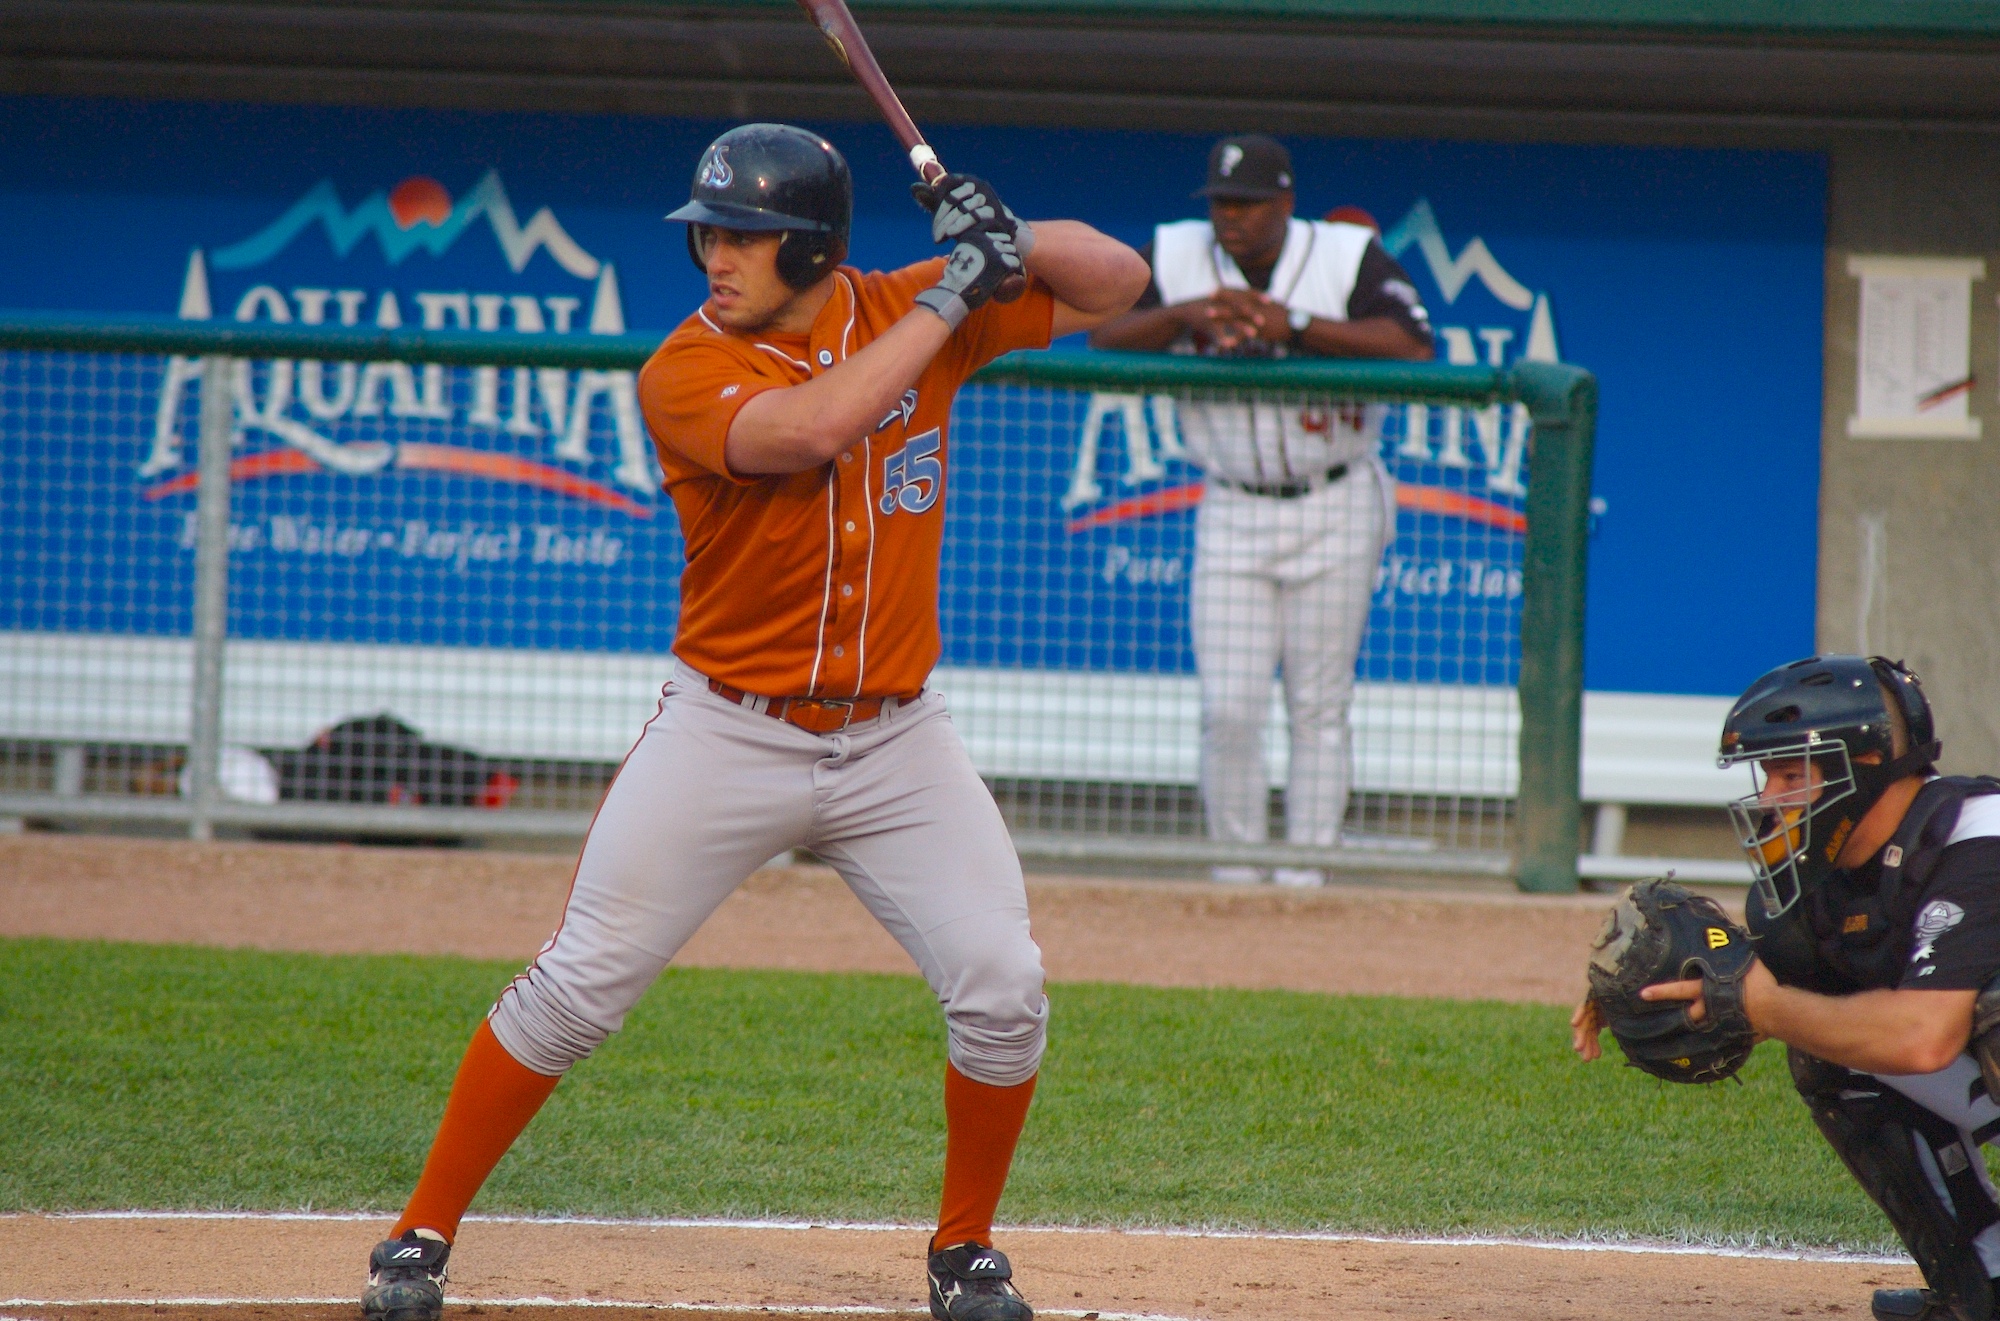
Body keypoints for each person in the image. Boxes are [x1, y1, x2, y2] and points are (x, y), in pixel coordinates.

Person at [359, 123, 1148, 1321]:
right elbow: (809, 432)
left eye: (746, 237)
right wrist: (949, 294)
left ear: (815, 247)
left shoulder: (901, 300)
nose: (715, 256)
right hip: (727, 732)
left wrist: (1010, 237)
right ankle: (418, 1234)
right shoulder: (684, 365)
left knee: (1001, 984)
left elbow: (1122, 282)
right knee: (579, 987)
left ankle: (964, 1252)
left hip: (895, 740)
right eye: (709, 235)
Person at [1573, 655, 2000, 1321]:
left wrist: (1763, 1004)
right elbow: (1773, 996)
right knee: (1832, 1039)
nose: (1770, 794)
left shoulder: (1980, 837)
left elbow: (1924, 1037)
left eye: (1791, 773)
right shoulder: (1820, 886)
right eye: (1766, 774)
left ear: (1862, 765)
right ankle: (1985, 1280)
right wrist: (1647, 987)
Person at [1087, 135, 1433, 887]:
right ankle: (1237, 876)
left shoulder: (1344, 255)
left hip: (1334, 496)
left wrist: (1296, 327)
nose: (1229, 216)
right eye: (1220, 202)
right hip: (1233, 504)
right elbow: (1104, 334)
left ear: (1284, 201)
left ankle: (1307, 875)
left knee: (1318, 705)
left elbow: (1413, 346)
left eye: (1245, 202)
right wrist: (1189, 314)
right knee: (1231, 708)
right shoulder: (1176, 252)